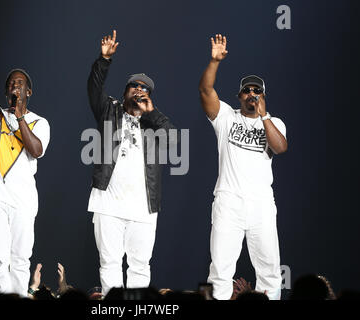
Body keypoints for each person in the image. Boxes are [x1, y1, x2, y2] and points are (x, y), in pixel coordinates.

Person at [86, 30, 178, 296]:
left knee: (140, 266)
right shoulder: (109, 110)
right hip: (108, 204)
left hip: (144, 208)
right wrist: (103, 60)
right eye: (134, 86)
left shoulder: (153, 121)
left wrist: (152, 112)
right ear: (124, 92)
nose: (139, 90)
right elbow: (93, 88)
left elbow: (173, 141)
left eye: (144, 88)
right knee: (110, 263)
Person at [199, 34, 288, 300]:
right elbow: (206, 91)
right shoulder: (226, 117)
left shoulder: (274, 123)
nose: (251, 94)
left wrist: (264, 116)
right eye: (247, 90)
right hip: (229, 201)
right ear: (239, 96)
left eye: (256, 91)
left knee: (269, 270)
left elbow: (280, 148)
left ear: (263, 97)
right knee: (220, 270)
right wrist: (214, 62)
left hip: (261, 203)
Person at [0, 27, 50, 297]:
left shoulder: (40, 122)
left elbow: (36, 150)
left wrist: (19, 118)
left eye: (19, 84)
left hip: (24, 201)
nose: (14, 86)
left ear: (28, 91)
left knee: (20, 260)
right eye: (10, 84)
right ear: (6, 91)